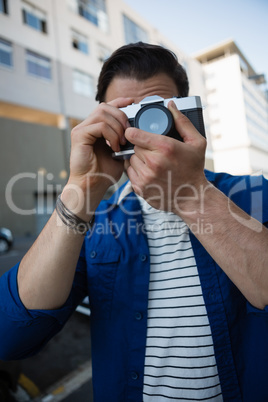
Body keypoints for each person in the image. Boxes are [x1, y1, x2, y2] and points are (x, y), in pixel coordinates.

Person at [0, 42, 268, 402]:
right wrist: (82, 189)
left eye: (157, 114)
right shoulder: (97, 222)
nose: (147, 132)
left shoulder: (252, 194)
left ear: (188, 117)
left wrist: (191, 196)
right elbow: (12, 335)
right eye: (128, 118)